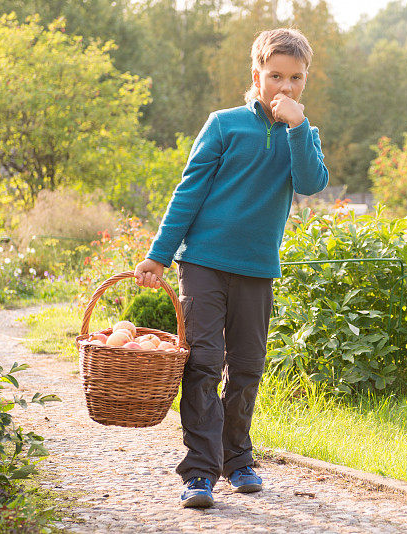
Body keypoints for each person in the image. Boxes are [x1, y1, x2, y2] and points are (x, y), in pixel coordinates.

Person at [133, 28, 328, 508]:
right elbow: (189, 192)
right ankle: (199, 471)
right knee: (202, 362)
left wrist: (299, 129)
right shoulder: (223, 125)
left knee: (247, 366)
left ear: (305, 82)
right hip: (202, 263)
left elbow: (311, 182)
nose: (284, 86)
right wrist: (159, 254)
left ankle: (238, 459)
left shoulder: (304, 135)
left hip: (258, 268)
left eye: (295, 78)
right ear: (256, 74)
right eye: (275, 75)